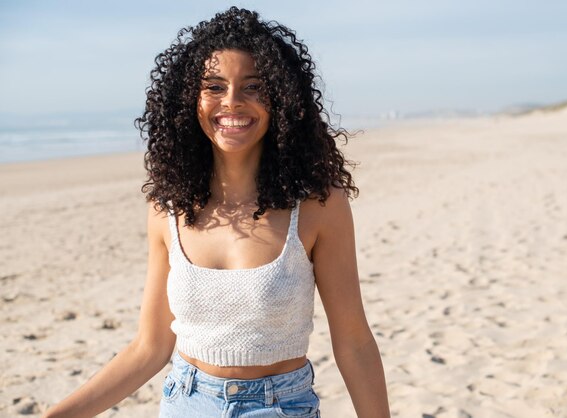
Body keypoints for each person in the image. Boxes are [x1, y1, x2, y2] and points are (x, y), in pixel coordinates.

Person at [43, 7, 389, 418]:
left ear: (280, 98)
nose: (231, 103)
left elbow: (353, 341)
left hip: (280, 407)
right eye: (213, 87)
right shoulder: (167, 208)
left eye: (253, 86)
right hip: (184, 400)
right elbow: (150, 347)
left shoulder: (317, 204)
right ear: (190, 99)